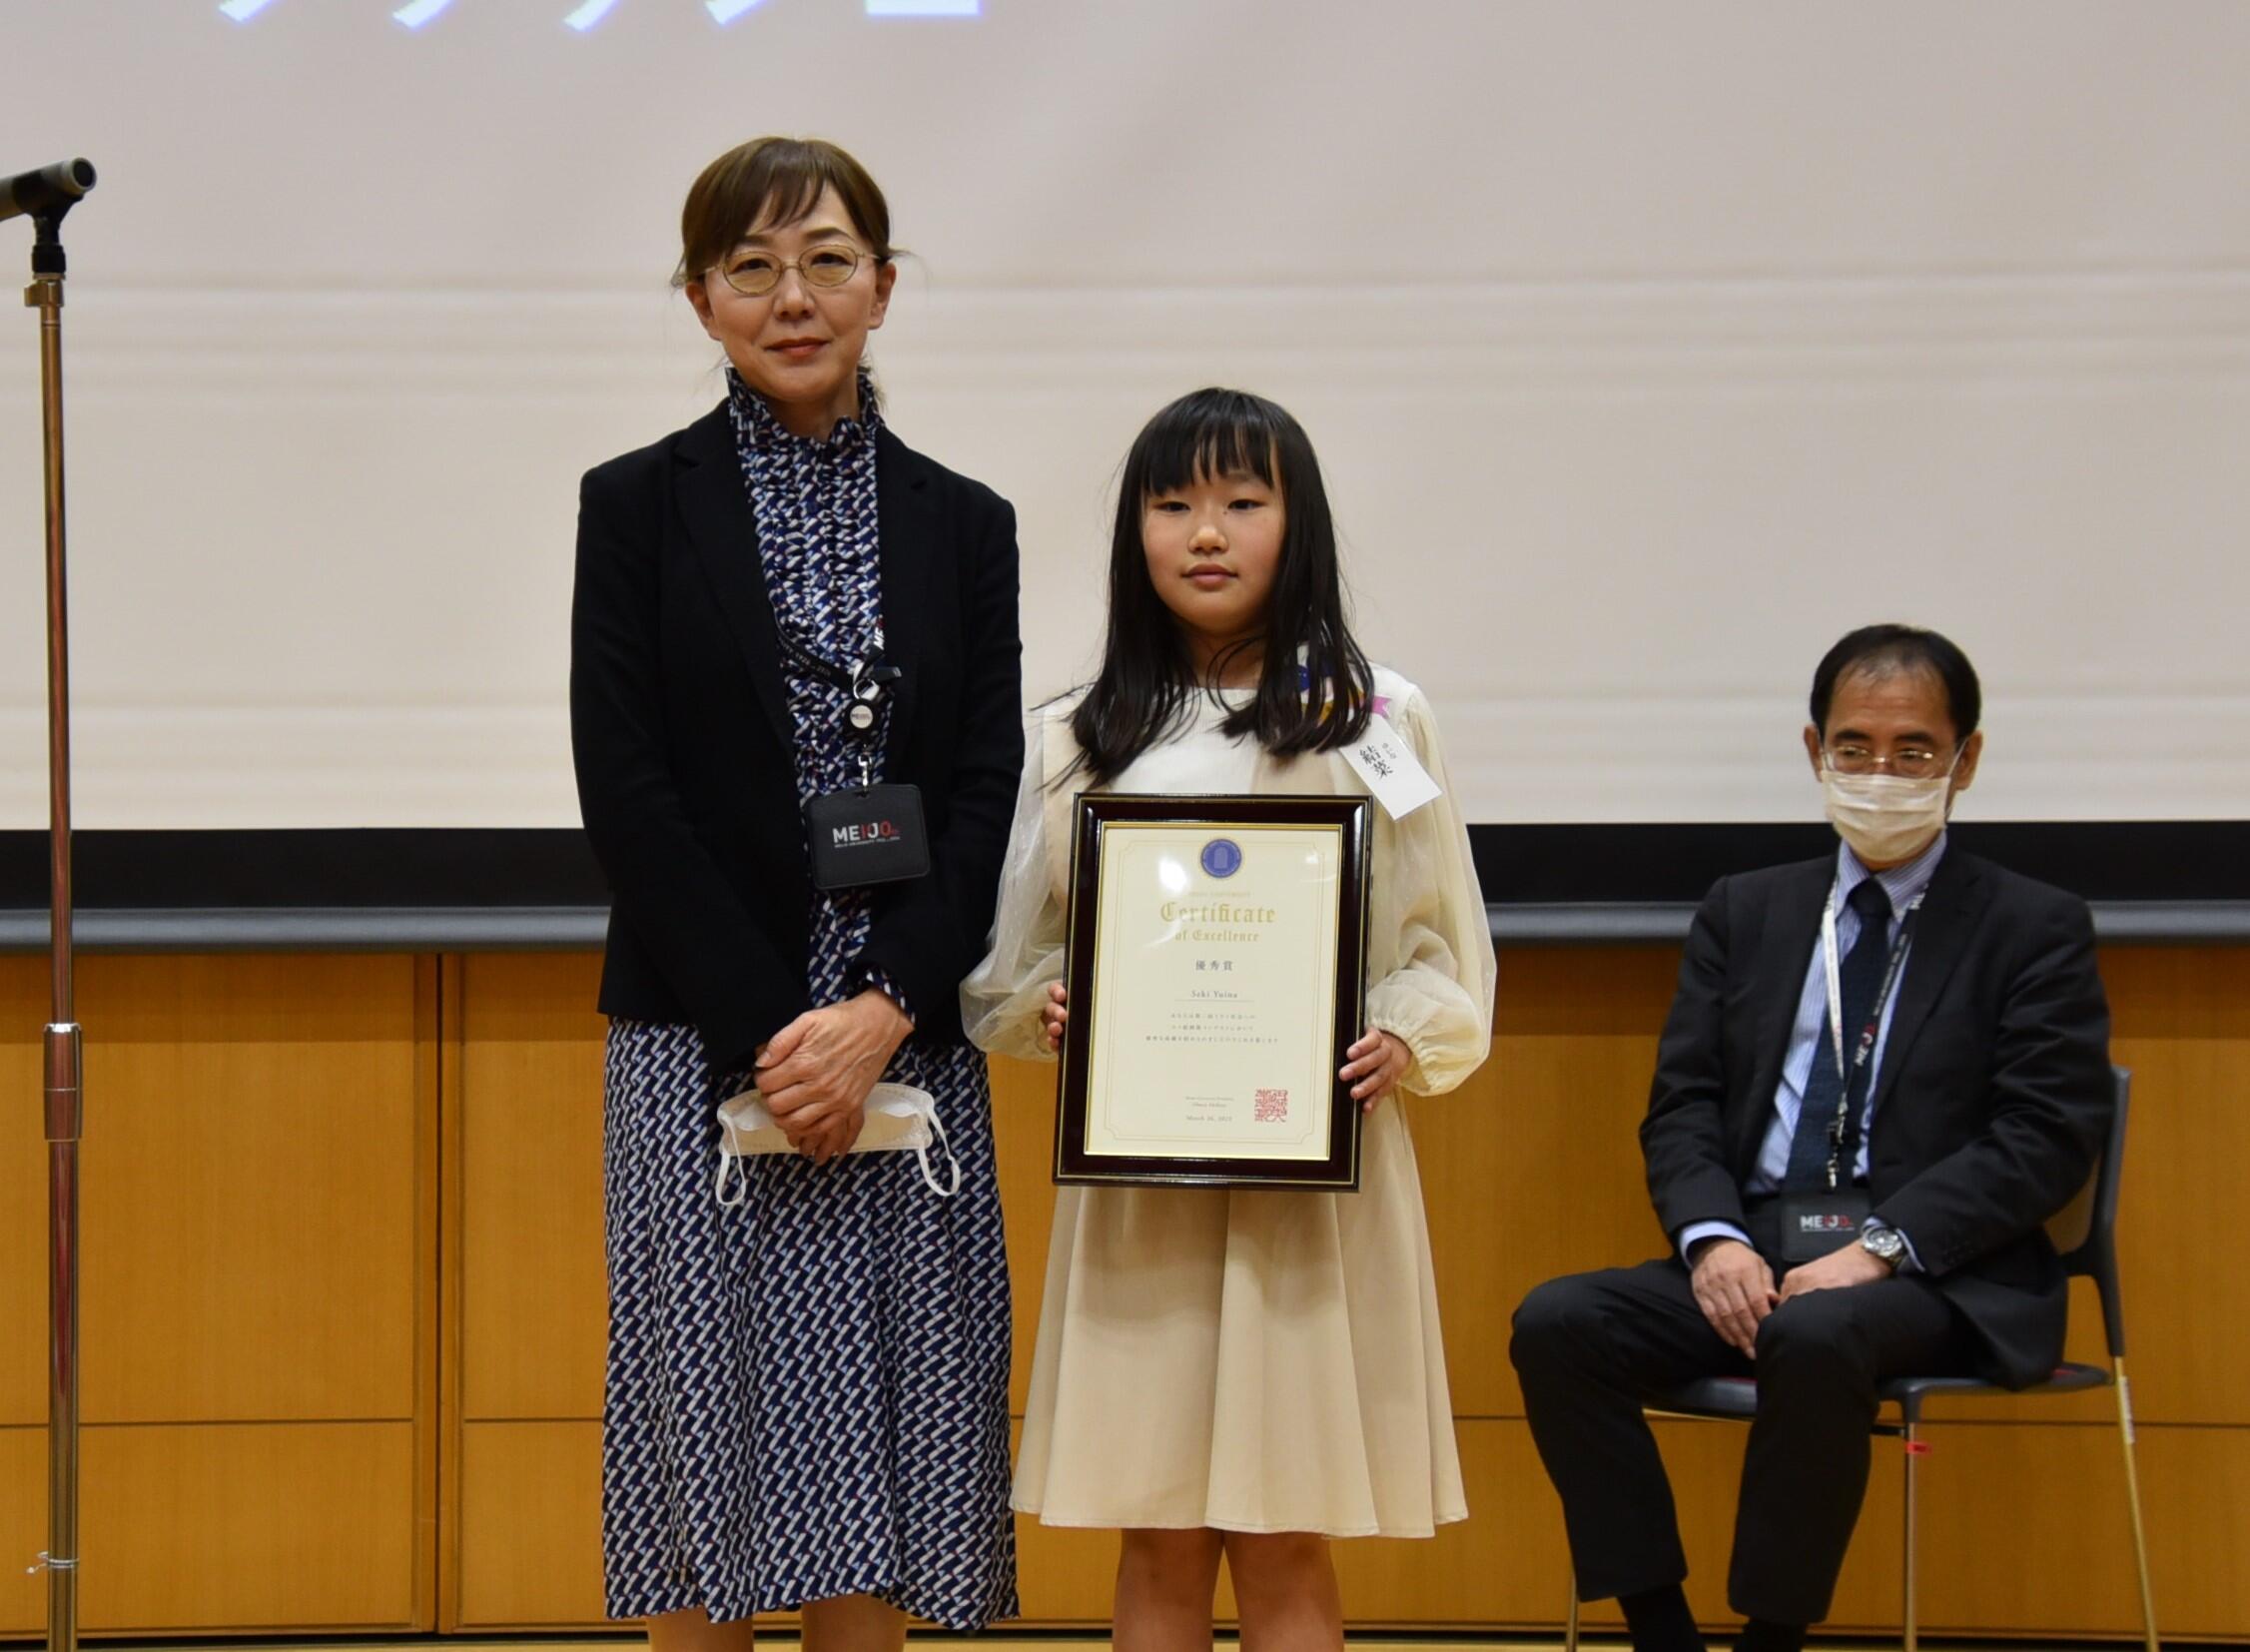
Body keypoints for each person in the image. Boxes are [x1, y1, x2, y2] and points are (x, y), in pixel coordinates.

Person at [569, 137, 1023, 1650]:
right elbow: (625, 793)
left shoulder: (966, 520)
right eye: (750, 265)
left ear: (883, 288)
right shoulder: (635, 505)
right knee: (711, 1456)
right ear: (699, 299)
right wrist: (786, 1035)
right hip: (706, 1036)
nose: (792, 295)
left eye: (827, 259)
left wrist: (880, 1013)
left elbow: (977, 793)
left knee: (882, 1460)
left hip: (903, 1042)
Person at [962, 388, 1495, 1652]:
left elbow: (1439, 945)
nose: (1207, 533)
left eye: (1244, 502)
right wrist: (1048, 1009)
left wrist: (1403, 1035)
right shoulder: (1078, 737)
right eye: (1174, 504)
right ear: (1134, 534)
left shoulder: (1376, 722)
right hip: (1144, 1182)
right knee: (1157, 1525)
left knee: (1286, 1522)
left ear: (1294, 524)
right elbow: (1008, 967)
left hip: (1312, 1186)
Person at [1509, 624, 2114, 1652]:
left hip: (1932, 1275)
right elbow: (1683, 1104)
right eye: (1854, 748)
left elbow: (2046, 1137)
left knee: (1818, 1330)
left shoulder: (2033, 924)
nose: (1881, 774)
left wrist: (1877, 1250)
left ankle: (1772, 1637)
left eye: (1913, 751)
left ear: (1965, 759)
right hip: (1758, 1250)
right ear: (1813, 750)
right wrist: (1712, 1240)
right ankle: (1661, 1629)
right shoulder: (1748, 910)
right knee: (1558, 1322)